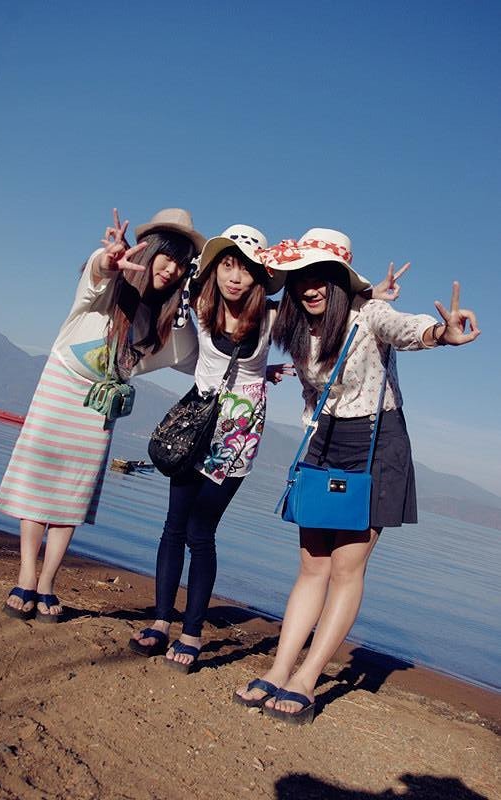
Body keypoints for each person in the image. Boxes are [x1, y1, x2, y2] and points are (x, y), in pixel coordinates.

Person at [234, 227, 480, 723]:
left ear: (340, 280)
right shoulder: (294, 324)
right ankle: (279, 669)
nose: (310, 287)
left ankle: (306, 679)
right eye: (301, 276)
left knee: (347, 569)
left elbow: (404, 328)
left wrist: (440, 334)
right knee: (312, 565)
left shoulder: (369, 314)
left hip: (375, 443)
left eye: (321, 276)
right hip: (322, 442)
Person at [129, 226, 402, 671]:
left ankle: (192, 632)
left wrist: (367, 296)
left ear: (261, 276)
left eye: (246, 269)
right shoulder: (199, 304)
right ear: (215, 268)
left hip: (238, 435)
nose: (235, 277)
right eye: (227, 265)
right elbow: (158, 289)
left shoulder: (273, 316)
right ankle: (161, 622)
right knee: (174, 524)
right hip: (195, 423)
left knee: (201, 531)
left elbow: (322, 312)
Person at [0, 208, 205, 623]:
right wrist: (107, 259)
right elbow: (95, 274)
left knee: (73, 491)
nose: (172, 269)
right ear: (149, 252)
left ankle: (48, 582)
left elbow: (199, 358)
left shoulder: (166, 321)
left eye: (182, 264)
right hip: (61, 384)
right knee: (38, 482)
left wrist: (248, 364)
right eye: (167, 256)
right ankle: (26, 576)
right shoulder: (112, 286)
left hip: (101, 404)